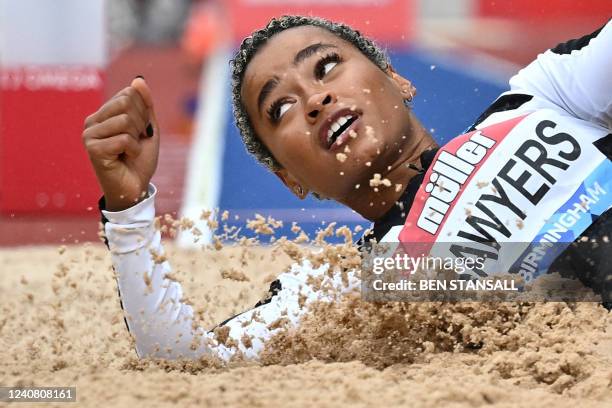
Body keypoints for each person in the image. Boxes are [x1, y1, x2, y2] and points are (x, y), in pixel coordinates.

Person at [82, 16, 611, 361]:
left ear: (394, 78)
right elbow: (188, 362)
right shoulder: (352, 287)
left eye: (326, 66)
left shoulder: (543, 97)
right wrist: (129, 210)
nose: (315, 99)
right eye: (282, 108)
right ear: (292, 179)